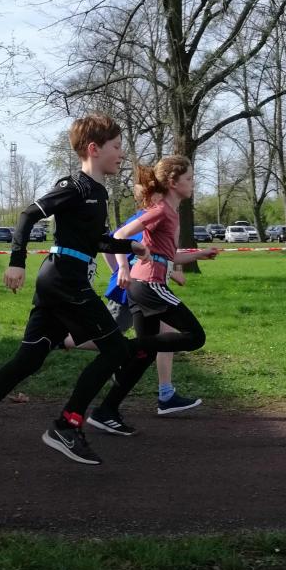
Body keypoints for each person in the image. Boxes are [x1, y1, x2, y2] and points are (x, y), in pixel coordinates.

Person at [0, 113, 151, 473]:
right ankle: (67, 424)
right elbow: (27, 215)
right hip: (64, 280)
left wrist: (130, 247)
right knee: (117, 349)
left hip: (62, 279)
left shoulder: (98, 193)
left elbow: (94, 241)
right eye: (116, 147)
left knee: (29, 360)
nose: (122, 154)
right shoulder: (75, 186)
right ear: (94, 149)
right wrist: (16, 262)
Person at [87, 156, 218, 428]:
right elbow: (120, 236)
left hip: (144, 285)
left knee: (145, 353)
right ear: (173, 182)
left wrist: (200, 255)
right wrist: (122, 267)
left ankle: (106, 411)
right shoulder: (161, 210)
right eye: (189, 178)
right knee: (195, 336)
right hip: (149, 286)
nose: (193, 183)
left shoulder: (171, 212)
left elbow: (168, 257)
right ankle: (123, 349)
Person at [64, 178, 204, 416]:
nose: (163, 198)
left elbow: (162, 253)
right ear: (151, 196)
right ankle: (63, 340)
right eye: (158, 193)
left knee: (156, 341)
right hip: (130, 289)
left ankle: (162, 394)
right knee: (112, 338)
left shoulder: (163, 215)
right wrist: (120, 271)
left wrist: (180, 266)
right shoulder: (148, 216)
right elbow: (113, 242)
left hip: (145, 289)